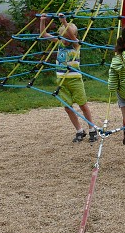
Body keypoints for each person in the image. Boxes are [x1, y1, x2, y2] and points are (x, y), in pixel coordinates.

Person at [39, 13, 97, 143]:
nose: (65, 40)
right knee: (67, 107)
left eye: (67, 37)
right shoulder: (59, 42)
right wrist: (42, 21)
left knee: (83, 105)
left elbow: (72, 37)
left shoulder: (76, 44)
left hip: (75, 80)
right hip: (62, 80)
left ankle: (92, 128)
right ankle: (79, 130)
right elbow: (44, 34)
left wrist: (65, 22)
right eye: (63, 37)